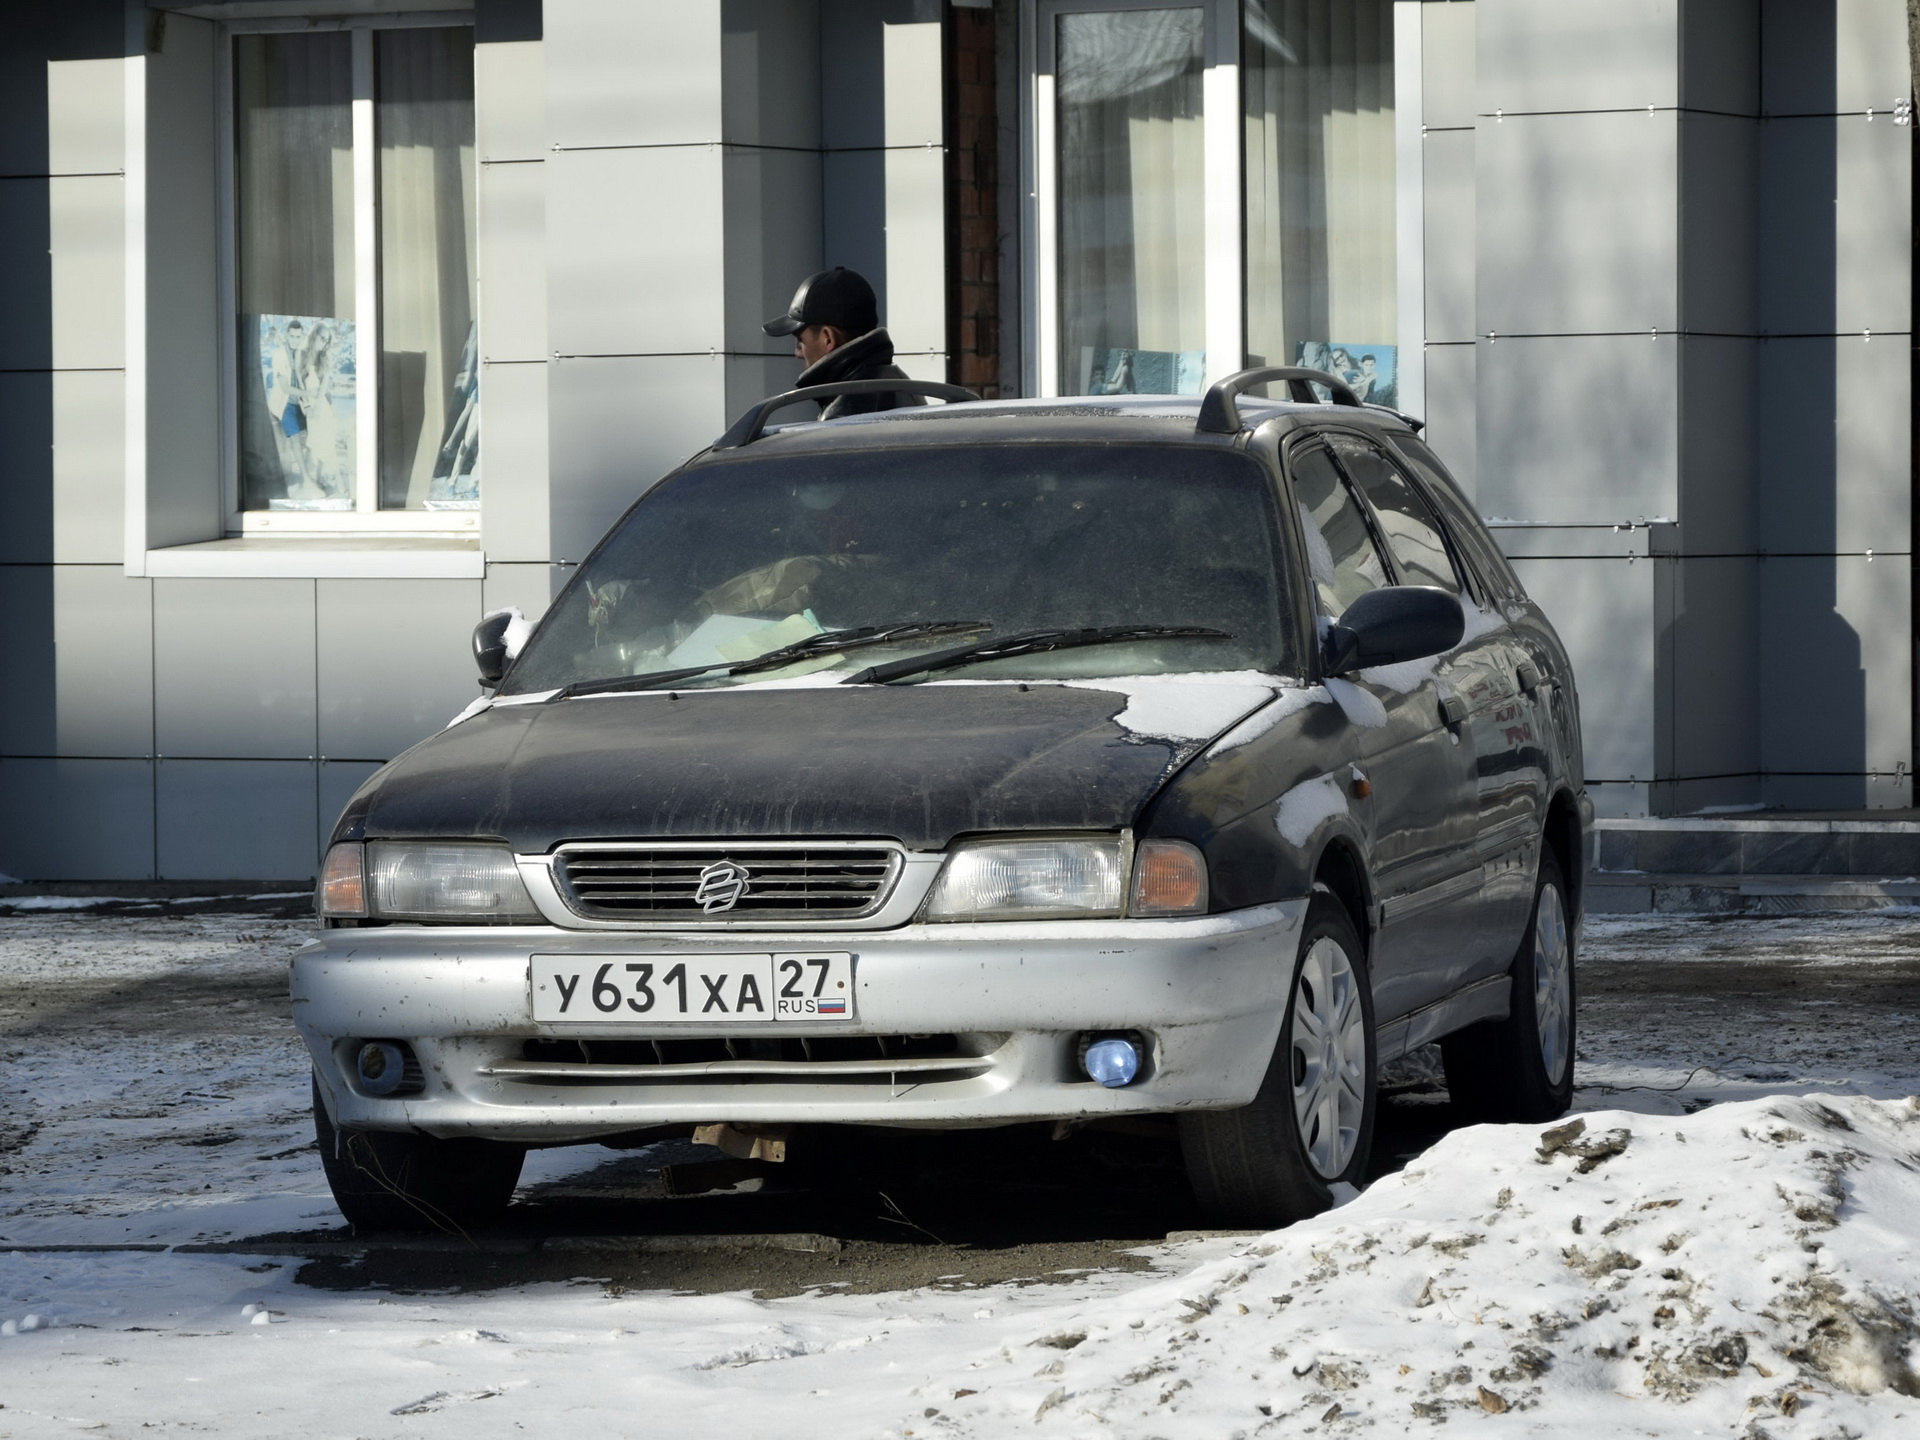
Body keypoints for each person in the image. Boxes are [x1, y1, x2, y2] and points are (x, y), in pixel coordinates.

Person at [763, 267, 925, 419]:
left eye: (800, 341)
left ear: (828, 338)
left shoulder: (843, 417)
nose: (797, 353)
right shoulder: (903, 387)